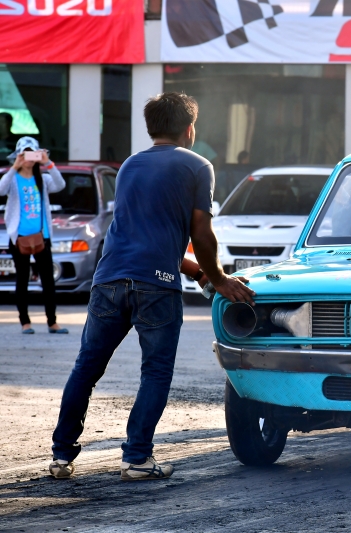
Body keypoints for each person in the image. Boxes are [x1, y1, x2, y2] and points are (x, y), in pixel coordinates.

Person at [49, 92, 255, 481]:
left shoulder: (128, 166)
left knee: (86, 368)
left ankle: (61, 455)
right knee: (156, 372)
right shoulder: (198, 166)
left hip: (108, 279)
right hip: (156, 287)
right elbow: (201, 231)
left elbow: (138, 233)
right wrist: (220, 278)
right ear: (189, 127)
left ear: (151, 126)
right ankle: (137, 458)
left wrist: (195, 271)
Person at [0, 136, 68, 334]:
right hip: (19, 237)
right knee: (22, 280)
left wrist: (48, 163)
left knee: (48, 280)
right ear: (18, 155)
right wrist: (15, 166)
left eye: (32, 153)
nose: (29, 158)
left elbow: (60, 184)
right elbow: (1, 188)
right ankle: (25, 322)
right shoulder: (13, 179)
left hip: (42, 237)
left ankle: (52, 322)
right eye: (25, 153)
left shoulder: (43, 179)